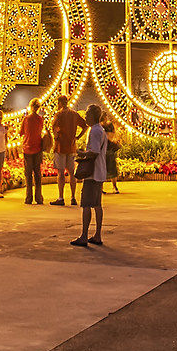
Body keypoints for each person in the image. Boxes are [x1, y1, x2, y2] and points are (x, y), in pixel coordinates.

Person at [70, 104, 108, 247]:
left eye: (87, 114)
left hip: (92, 173)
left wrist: (81, 154)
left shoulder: (95, 131)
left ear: (92, 116)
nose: (85, 116)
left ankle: (84, 235)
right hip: (99, 172)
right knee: (97, 204)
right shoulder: (100, 130)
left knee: (86, 204)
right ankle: (97, 234)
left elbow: (94, 151)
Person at [49, 96, 79, 206]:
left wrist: (55, 135)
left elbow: (53, 127)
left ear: (60, 103)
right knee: (72, 173)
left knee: (61, 172)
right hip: (71, 147)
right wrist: (78, 136)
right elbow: (84, 126)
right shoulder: (74, 114)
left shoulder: (59, 114)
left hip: (61, 146)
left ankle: (61, 197)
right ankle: (73, 197)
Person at [20, 101, 46, 205]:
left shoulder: (26, 119)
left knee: (28, 174)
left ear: (31, 107)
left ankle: (28, 197)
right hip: (37, 148)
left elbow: (21, 132)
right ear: (38, 108)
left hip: (27, 148)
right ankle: (39, 197)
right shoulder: (40, 119)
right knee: (37, 174)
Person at [102, 116, 121, 195]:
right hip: (105, 150)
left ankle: (114, 186)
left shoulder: (107, 126)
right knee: (104, 169)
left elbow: (112, 135)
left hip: (108, 150)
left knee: (110, 168)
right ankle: (106, 187)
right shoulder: (100, 126)